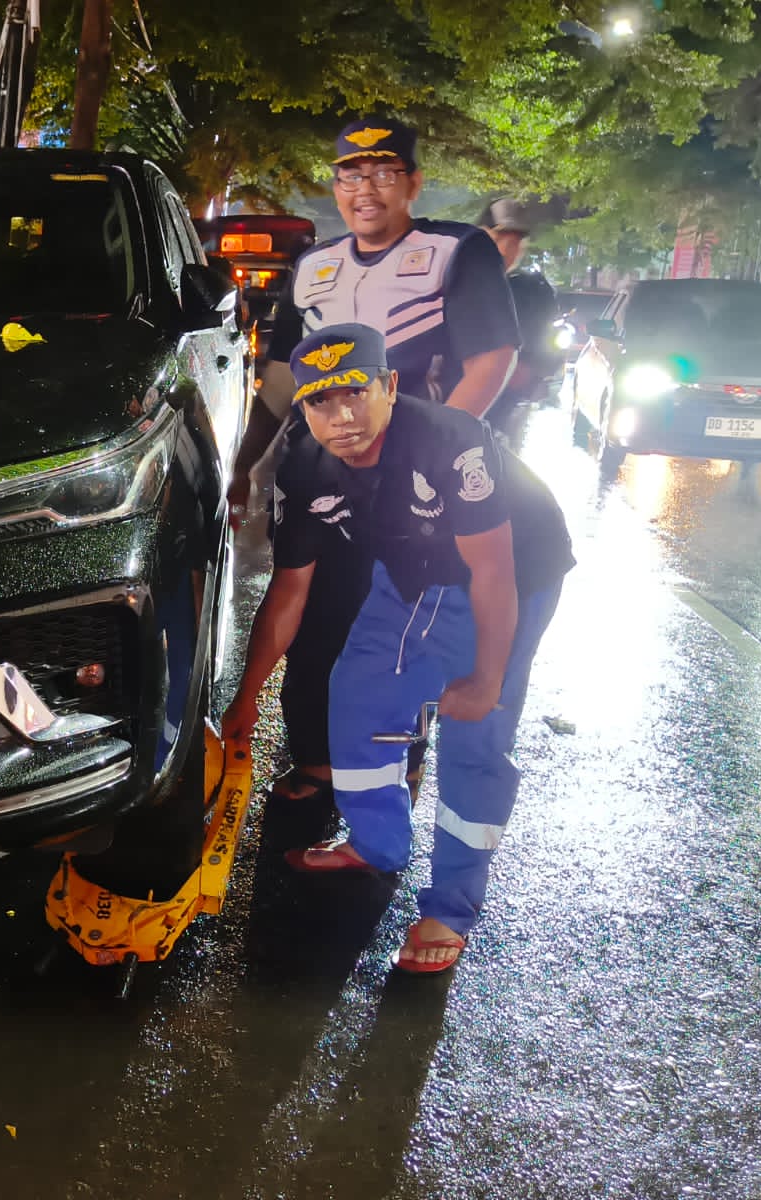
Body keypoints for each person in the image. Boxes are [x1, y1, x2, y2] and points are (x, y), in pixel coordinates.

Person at [223, 323, 574, 972]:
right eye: (320, 401)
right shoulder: (303, 462)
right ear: (302, 408)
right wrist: (245, 700)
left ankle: (450, 908)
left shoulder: (448, 441)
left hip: (513, 572)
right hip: (409, 564)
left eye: (356, 393)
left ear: (390, 385)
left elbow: (493, 573)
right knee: (356, 694)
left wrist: (486, 677)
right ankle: (377, 845)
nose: (342, 417)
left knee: (476, 735)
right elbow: (289, 592)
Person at [226, 119, 521, 812]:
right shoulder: (312, 267)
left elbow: (492, 359)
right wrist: (245, 462)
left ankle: (395, 767)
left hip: (414, 472)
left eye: (385, 174)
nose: (367, 190)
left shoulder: (456, 250)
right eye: (352, 176)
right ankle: (318, 763)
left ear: (413, 183)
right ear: (336, 187)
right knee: (313, 605)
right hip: (323, 465)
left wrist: (439, 449)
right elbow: (277, 378)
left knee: (397, 624)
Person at [477, 197, 562, 433]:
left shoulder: (533, 292)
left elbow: (549, 342)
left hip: (503, 405)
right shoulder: (453, 280)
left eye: (515, 243)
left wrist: (535, 371)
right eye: (499, 239)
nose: (507, 249)